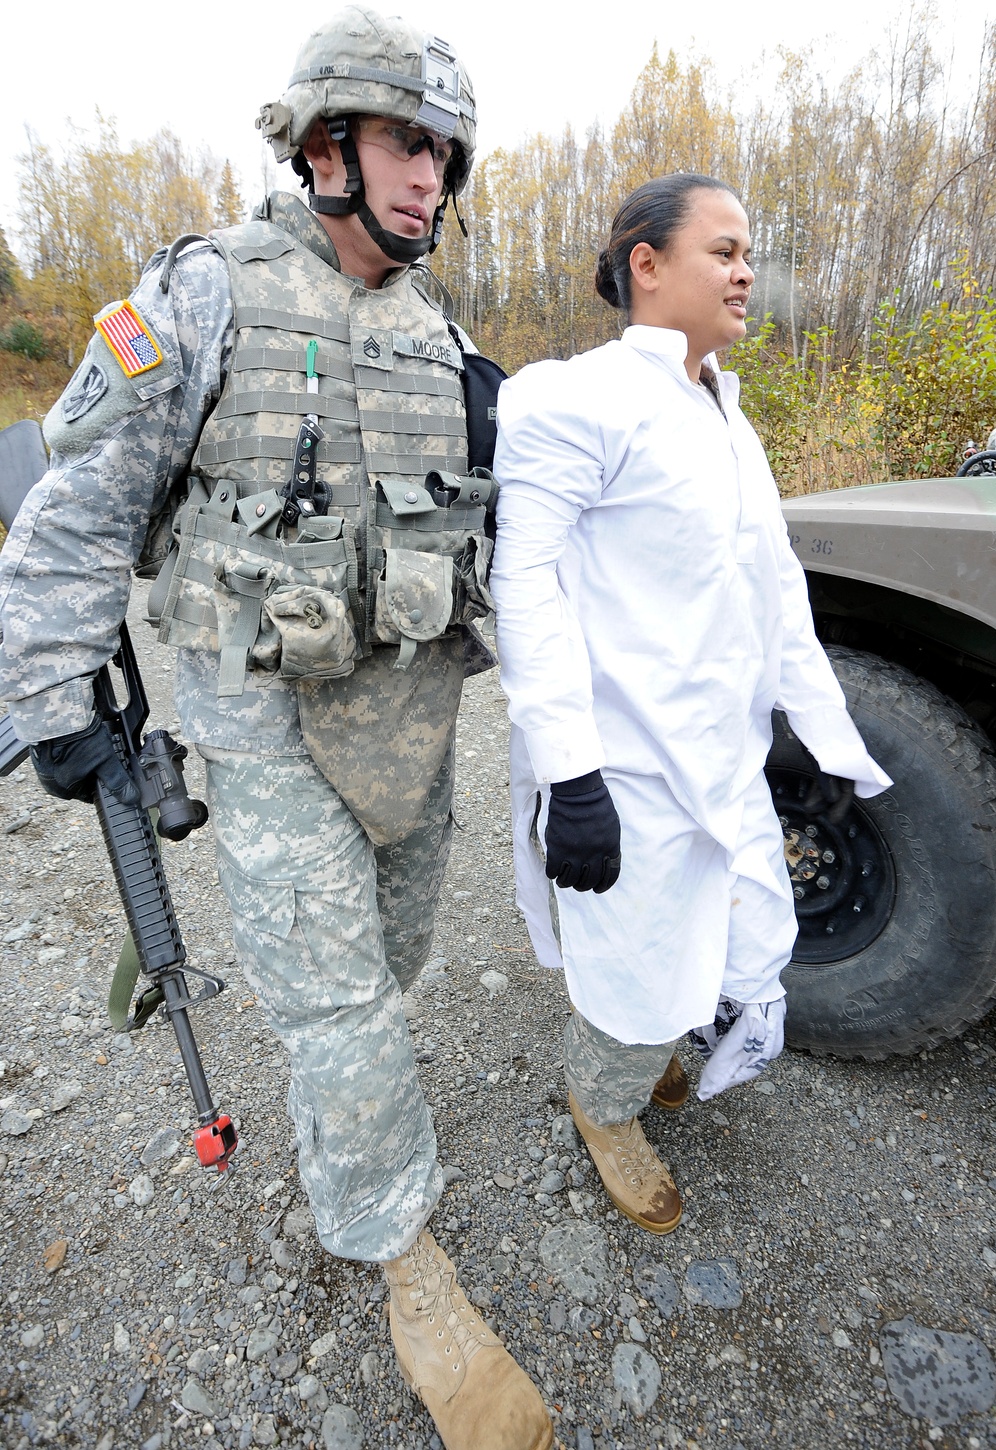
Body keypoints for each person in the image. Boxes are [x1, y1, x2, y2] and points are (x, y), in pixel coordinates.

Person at [0, 10, 552, 1448]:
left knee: (398, 952)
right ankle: (397, 1250)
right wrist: (54, 697)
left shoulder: (444, 332)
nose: (431, 177)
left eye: (444, 151)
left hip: (410, 715)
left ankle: (345, 1119)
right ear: (324, 149)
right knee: (344, 1009)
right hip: (260, 713)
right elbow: (75, 514)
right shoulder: (207, 293)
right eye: (405, 144)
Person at [489, 174, 891, 1236]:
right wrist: (571, 777)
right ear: (646, 264)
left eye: (748, 250)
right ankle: (603, 1104)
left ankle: (642, 1056)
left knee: (712, 941)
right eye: (722, 249)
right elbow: (522, 584)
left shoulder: (725, 415)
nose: (745, 270)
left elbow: (773, 590)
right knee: (629, 960)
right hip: (622, 767)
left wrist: (822, 730)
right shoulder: (572, 399)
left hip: (719, 756)